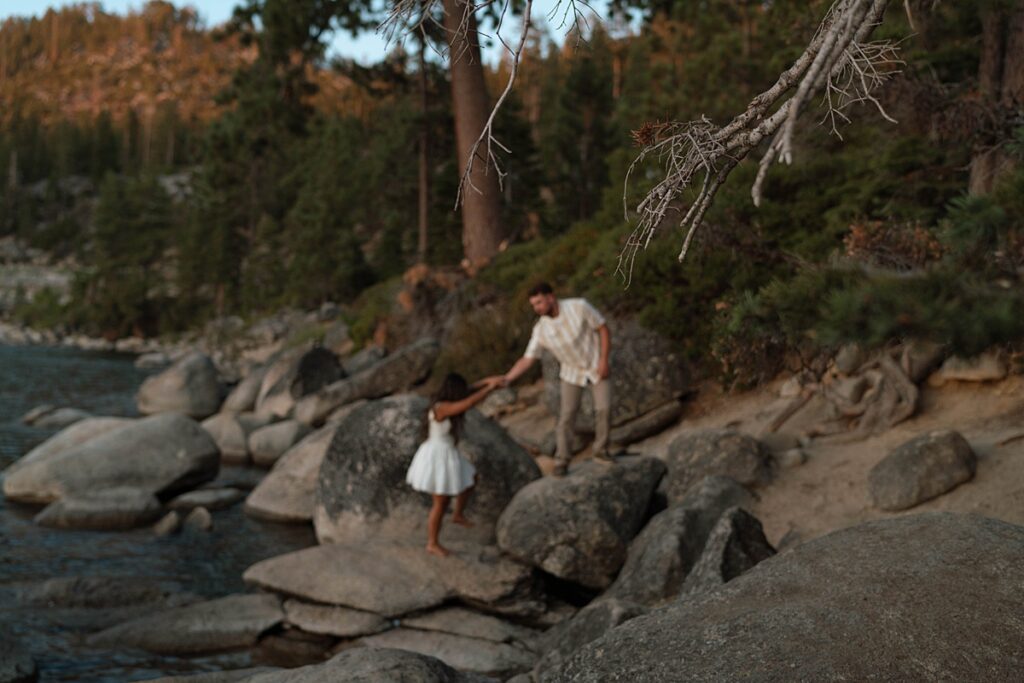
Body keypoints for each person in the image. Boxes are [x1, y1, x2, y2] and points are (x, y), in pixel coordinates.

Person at [501, 282, 613, 476]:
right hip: (570, 372)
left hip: (596, 364)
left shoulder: (579, 306)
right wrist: (508, 378)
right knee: (566, 416)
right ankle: (562, 460)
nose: (537, 308)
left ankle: (601, 450)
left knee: (604, 408)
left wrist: (604, 359)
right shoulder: (541, 329)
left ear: (551, 297)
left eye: (539, 303)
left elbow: (602, 328)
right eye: (534, 305)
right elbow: (528, 358)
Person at [406, 372, 502, 556]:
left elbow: (470, 390)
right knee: (440, 504)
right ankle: (432, 543)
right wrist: (490, 389)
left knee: (471, 479)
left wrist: (488, 382)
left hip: (447, 453)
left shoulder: (445, 402)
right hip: (438, 456)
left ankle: (458, 515)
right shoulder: (441, 407)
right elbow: (467, 402)